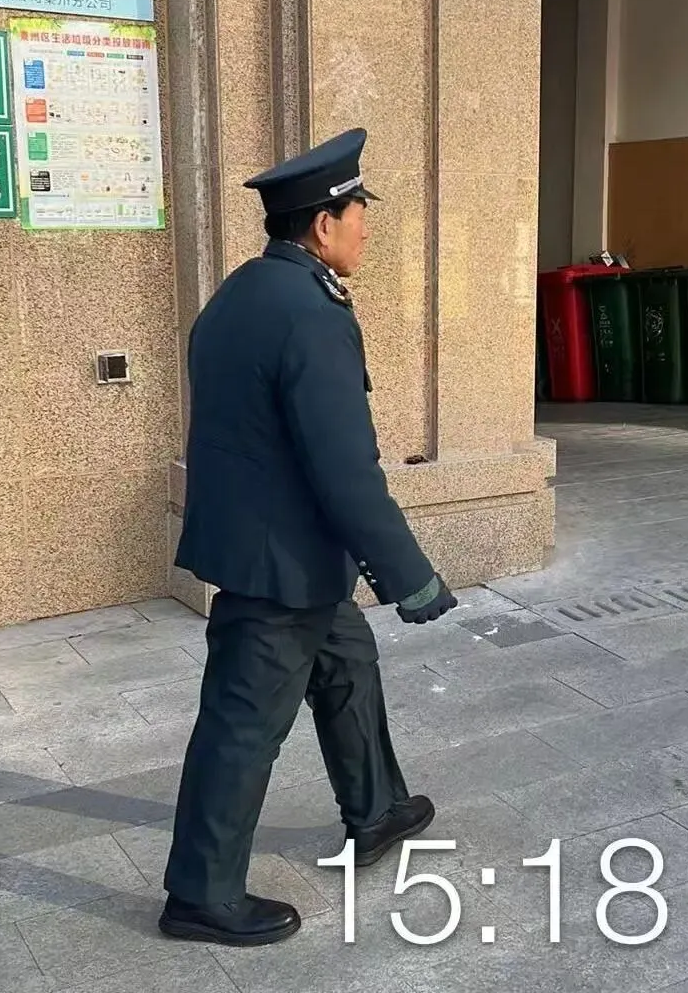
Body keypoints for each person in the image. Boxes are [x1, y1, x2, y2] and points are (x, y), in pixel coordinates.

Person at [158, 128, 458, 948]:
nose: (367, 228)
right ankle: (201, 895)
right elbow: (345, 469)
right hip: (280, 566)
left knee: (348, 665)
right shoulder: (312, 314)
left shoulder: (240, 294)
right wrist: (412, 577)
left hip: (280, 551)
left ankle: (377, 808)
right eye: (360, 213)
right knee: (242, 725)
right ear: (324, 224)